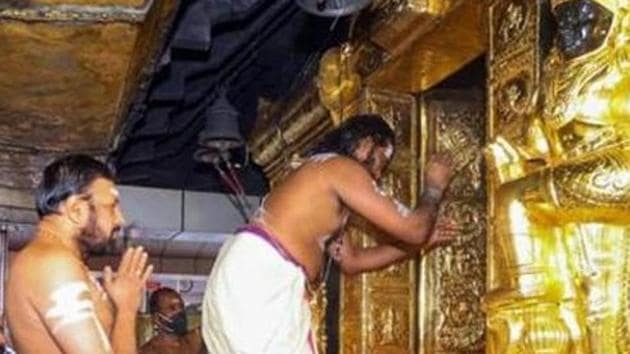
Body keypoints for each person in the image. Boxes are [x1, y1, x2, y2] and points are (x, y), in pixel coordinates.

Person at [202, 114, 455, 353]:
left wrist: (416, 246)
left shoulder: (327, 184)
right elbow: (415, 229)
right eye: (381, 162)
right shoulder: (339, 167)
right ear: (366, 144)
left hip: (257, 276)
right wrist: (434, 186)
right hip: (260, 277)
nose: (377, 176)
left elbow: (353, 261)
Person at [6, 154, 153, 354]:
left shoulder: (53, 260)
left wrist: (120, 308)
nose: (120, 220)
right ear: (76, 210)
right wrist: (127, 309)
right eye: (111, 206)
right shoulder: (53, 265)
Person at [139, 287, 205, 354]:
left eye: (181, 306)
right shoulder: (149, 351)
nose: (179, 311)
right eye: (172, 308)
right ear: (157, 318)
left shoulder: (196, 340)